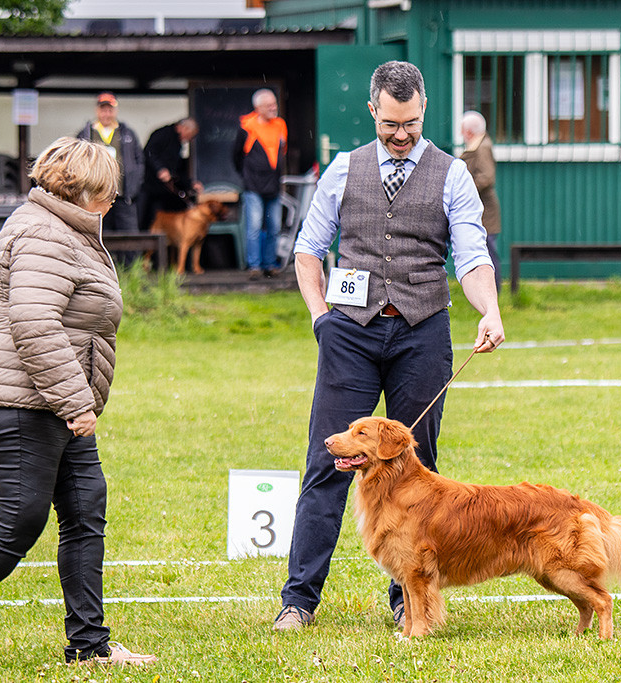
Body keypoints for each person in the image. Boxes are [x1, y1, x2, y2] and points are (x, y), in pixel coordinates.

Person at [0, 138, 157, 674]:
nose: (114, 200)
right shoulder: (44, 232)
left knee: (85, 509)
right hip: (21, 398)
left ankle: (89, 644)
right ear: (83, 188)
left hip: (50, 398)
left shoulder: (68, 230)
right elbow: (35, 322)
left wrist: (74, 399)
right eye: (109, 190)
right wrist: (76, 401)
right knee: (19, 521)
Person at [274, 60, 505, 631]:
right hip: (349, 333)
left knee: (416, 468)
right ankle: (298, 600)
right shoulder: (342, 169)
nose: (401, 135)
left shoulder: (452, 174)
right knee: (327, 463)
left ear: (424, 110)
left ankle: (408, 597)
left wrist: (490, 308)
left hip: (422, 333)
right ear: (373, 111)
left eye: (412, 123)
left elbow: (471, 254)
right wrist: (321, 318)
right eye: (390, 124)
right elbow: (309, 248)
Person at [233, 88, 287, 279]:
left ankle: (270, 264)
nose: (274, 108)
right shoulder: (247, 127)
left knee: (274, 227)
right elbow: (236, 155)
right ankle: (254, 266)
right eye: (269, 105)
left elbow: (282, 152)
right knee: (254, 227)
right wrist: (246, 176)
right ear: (258, 108)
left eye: (274, 104)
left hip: (274, 186)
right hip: (253, 186)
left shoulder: (280, 125)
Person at [77, 91, 144, 233]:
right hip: (96, 196)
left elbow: (139, 161)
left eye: (110, 110)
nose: (106, 114)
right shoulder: (86, 133)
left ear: (115, 111)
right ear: (97, 111)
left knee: (130, 236)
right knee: (98, 234)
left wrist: (133, 188)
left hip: (123, 196)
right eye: (103, 110)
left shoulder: (127, 133)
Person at [459, 110, 502, 292]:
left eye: (463, 130)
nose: (461, 134)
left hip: (485, 212)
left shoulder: (481, 147)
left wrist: (465, 189)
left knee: (488, 253)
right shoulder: (479, 144)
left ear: (469, 131)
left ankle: (493, 292)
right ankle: (486, 291)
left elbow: (487, 176)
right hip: (482, 211)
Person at [137, 118, 202, 231]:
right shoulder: (162, 134)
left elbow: (178, 170)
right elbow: (149, 152)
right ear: (184, 128)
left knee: (159, 220)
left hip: (162, 190)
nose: (189, 139)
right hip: (147, 185)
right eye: (190, 135)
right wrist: (160, 169)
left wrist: (191, 183)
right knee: (142, 217)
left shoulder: (178, 143)